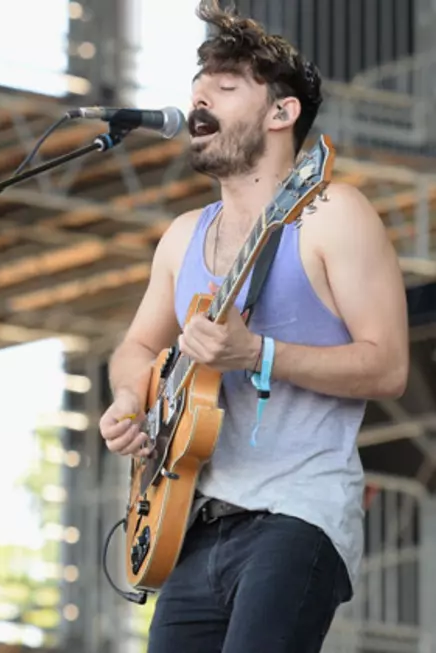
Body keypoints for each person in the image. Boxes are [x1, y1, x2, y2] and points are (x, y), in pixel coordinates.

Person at [99, 3, 409, 652]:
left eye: (226, 87)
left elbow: (388, 366)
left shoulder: (331, 214)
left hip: (299, 513)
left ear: (281, 113)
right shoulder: (183, 237)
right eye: (196, 89)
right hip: (194, 517)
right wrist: (131, 399)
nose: (198, 100)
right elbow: (133, 348)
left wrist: (257, 351)